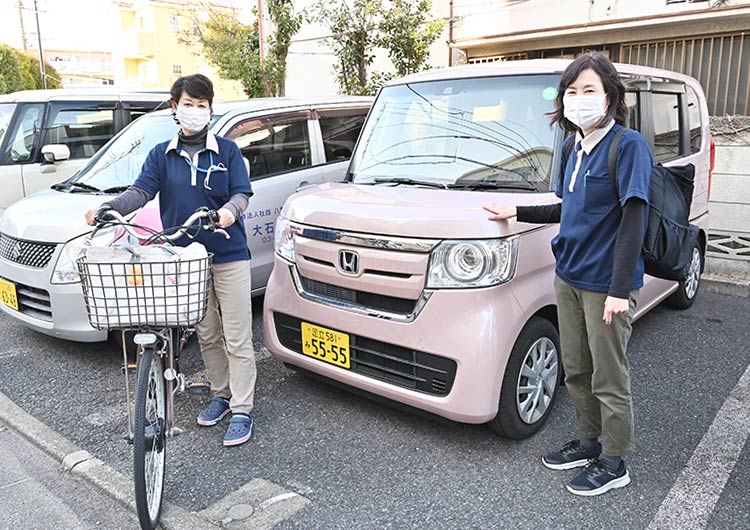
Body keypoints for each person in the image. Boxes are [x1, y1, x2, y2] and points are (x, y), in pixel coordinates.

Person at [484, 52, 653, 496]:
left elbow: (634, 217)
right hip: (571, 277)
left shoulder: (627, 145)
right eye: (572, 92)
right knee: (576, 370)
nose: (579, 100)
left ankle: (615, 462)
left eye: (589, 90)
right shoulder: (572, 146)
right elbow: (564, 205)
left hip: (607, 286)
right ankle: (588, 442)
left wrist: (619, 289)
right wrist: (515, 209)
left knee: (608, 375)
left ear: (611, 97)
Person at [85, 74, 257, 447]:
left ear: (210, 109)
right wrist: (107, 208)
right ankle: (221, 395)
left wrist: (228, 212)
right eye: (188, 104)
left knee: (238, 336)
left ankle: (242, 409)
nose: (195, 111)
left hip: (229, 254)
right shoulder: (161, 154)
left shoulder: (226, 151)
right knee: (208, 333)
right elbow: (140, 192)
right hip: (183, 258)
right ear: (174, 107)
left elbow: (242, 194)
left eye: (202, 105)